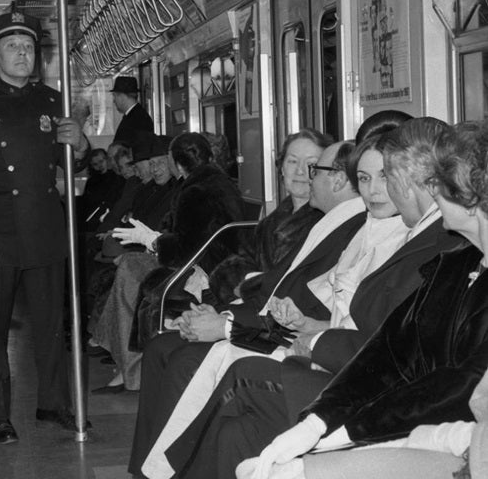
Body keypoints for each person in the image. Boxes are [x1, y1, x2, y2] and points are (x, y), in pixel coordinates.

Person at [144, 119, 465, 479]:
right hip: (339, 360)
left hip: (374, 391)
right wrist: (303, 328)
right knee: (232, 428)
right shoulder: (384, 230)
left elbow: (399, 347)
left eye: (387, 176)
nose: (377, 189)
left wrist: (307, 338)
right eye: (366, 177)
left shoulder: (435, 244)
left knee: (236, 374)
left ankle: (164, 470)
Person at [246, 120, 488, 479]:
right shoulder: (456, 263)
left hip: (461, 442)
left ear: (469, 199)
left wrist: (348, 433)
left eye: (438, 184)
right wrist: (319, 420)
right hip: (422, 426)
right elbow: (391, 349)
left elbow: (462, 384)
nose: (426, 191)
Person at [128, 139, 366, 476]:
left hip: (279, 334)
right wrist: (216, 307)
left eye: (312, 166)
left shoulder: (338, 226)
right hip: (255, 314)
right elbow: (260, 280)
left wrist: (225, 321)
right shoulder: (286, 217)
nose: (302, 174)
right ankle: (148, 469)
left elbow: (294, 299)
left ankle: (164, 470)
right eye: (292, 163)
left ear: (340, 179)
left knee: (182, 360)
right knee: (161, 349)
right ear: (280, 167)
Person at [0, 11, 90, 444]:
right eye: (12, 46)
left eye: (29, 47)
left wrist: (79, 143)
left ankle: (52, 403)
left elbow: (74, 162)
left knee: (51, 325)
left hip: (45, 227)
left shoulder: (53, 101)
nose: (23, 53)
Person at [91, 133, 244, 393]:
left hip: (204, 270)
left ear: (175, 162)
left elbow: (183, 251)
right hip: (216, 264)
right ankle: (125, 362)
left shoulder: (195, 190)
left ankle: (131, 368)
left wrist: (151, 240)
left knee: (130, 272)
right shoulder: (215, 181)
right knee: (130, 266)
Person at [111, 76, 153, 145]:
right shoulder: (135, 115)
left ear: (122, 97)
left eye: (115, 96)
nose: (114, 100)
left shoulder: (138, 119)